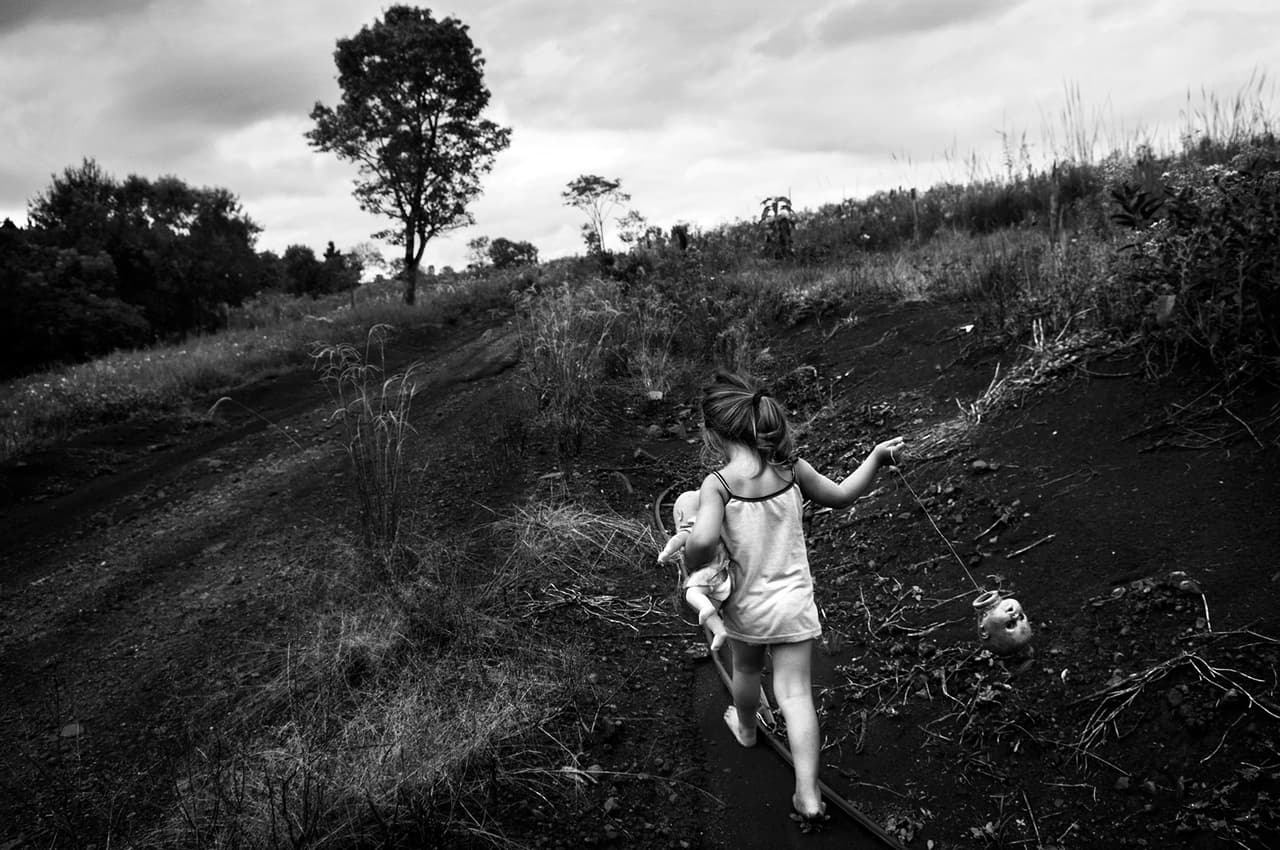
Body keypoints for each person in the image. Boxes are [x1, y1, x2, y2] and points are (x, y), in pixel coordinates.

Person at [681, 370, 904, 829]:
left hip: (749, 607)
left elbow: (702, 543)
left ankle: (746, 729)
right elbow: (841, 496)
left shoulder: (717, 486)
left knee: (746, 669)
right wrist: (877, 457)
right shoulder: (791, 468)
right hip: (795, 602)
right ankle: (807, 792)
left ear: (714, 433)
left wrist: (694, 547)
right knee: (796, 692)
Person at [657, 489, 732, 649]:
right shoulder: (718, 526)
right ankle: (720, 631)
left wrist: (666, 552)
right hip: (728, 575)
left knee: (693, 594)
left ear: (680, 516)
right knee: (714, 606)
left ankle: (709, 613)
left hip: (711, 574)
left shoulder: (693, 528)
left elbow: (677, 540)